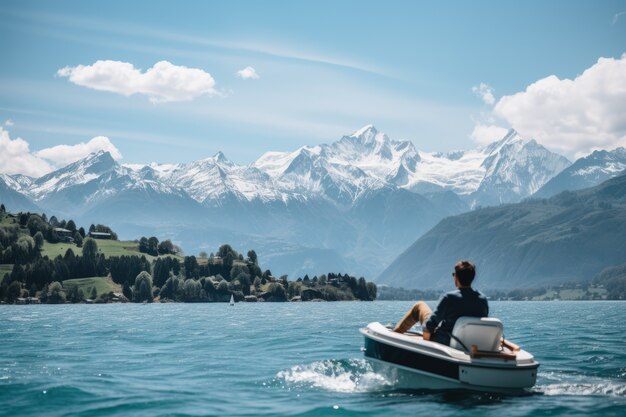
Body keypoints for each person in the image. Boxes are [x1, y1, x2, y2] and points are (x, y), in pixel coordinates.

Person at [393, 260, 488, 345]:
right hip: (470, 343)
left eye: (454, 274)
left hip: (445, 341)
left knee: (419, 305)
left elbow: (431, 323)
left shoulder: (449, 297)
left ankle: (394, 335)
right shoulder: (483, 299)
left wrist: (427, 341)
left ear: (456, 277)